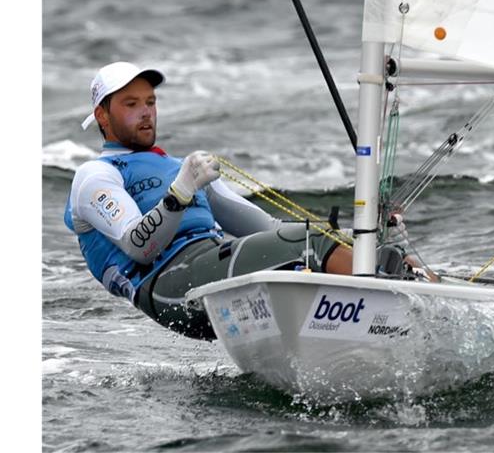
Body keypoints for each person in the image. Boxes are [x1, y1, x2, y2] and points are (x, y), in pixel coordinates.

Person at [64, 61, 381, 341]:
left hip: (211, 273)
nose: (146, 112)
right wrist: (181, 192)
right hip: (168, 288)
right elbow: (138, 246)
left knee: (338, 244)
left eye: (150, 102)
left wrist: (351, 241)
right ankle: (385, 308)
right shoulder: (95, 175)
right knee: (308, 244)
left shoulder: (178, 167)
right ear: (102, 116)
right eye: (131, 104)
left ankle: (402, 293)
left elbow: (267, 227)